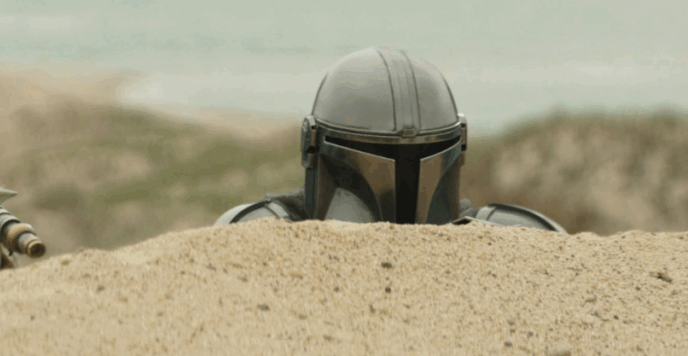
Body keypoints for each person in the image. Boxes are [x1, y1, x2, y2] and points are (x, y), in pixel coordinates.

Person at [216, 46, 564, 231]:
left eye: (424, 152)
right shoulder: (528, 231)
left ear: (311, 143)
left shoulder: (248, 230)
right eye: (376, 152)